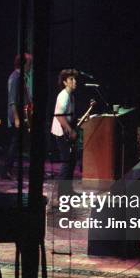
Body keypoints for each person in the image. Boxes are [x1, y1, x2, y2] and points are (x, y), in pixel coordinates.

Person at [2, 53, 33, 180]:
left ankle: (9, 170)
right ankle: (6, 170)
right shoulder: (16, 77)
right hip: (18, 115)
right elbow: (12, 100)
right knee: (15, 143)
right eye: (29, 64)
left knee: (18, 143)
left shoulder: (20, 77)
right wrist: (16, 118)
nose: (30, 66)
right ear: (24, 64)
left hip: (21, 114)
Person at [51, 69, 79, 197]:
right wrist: (70, 130)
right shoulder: (64, 96)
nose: (74, 81)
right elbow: (59, 115)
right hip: (61, 132)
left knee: (71, 161)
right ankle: (60, 194)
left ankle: (68, 191)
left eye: (74, 79)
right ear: (64, 82)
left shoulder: (71, 96)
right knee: (66, 161)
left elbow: (68, 116)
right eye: (71, 79)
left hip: (66, 131)